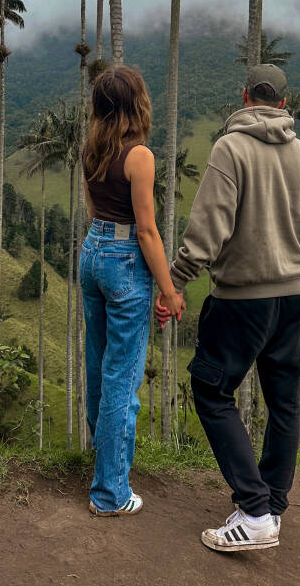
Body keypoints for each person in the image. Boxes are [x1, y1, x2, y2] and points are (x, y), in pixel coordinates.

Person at [157, 63, 300, 552]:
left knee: (211, 390)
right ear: (283, 103)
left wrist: (175, 282)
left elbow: (207, 231)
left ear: (245, 97)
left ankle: (255, 510)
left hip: (242, 300)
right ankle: (273, 507)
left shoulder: (231, 148)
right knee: (284, 402)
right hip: (292, 301)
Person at [80, 65, 184, 516]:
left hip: (92, 252)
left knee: (99, 365)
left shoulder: (91, 148)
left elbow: (94, 209)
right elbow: (146, 230)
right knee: (122, 377)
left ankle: (104, 462)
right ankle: (110, 493)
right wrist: (169, 290)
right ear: (136, 103)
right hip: (125, 260)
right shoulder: (139, 156)